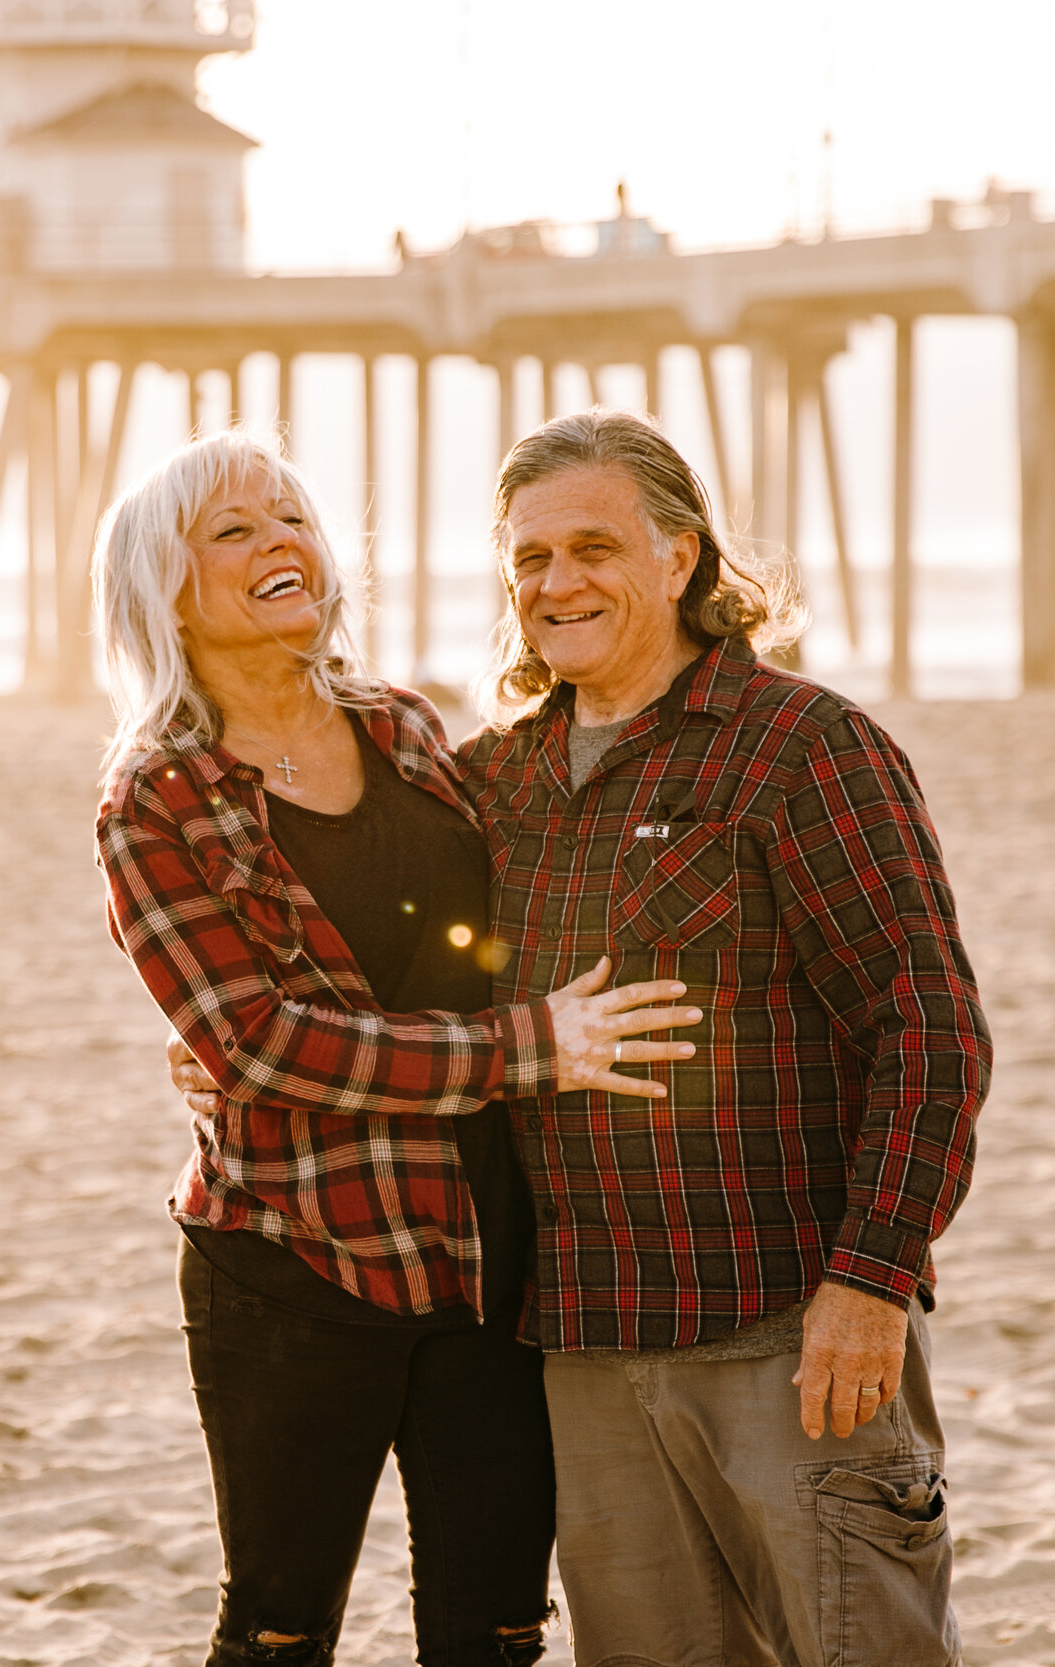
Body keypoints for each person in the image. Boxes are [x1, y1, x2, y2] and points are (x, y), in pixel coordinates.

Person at [174, 411, 992, 1666]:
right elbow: (373, 974)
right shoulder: (490, 780)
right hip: (582, 1349)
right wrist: (219, 1062)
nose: (558, 584)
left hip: (784, 1332)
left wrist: (873, 1277)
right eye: (531, 559)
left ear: (680, 559)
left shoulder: (801, 749)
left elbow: (928, 1028)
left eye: (594, 548)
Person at [94, 432, 704, 1667]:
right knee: (278, 1627)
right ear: (166, 589)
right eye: (234, 530)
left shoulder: (407, 729)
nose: (281, 543)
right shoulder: (152, 797)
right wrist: (526, 1049)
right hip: (292, 1259)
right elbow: (265, 1042)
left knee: (492, 1627)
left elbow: (520, 917)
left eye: (292, 520)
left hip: (484, 1251)